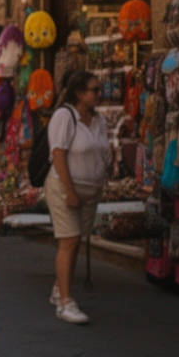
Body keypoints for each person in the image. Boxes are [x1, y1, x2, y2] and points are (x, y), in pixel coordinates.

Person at [45, 70, 111, 325]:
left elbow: (102, 151)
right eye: (94, 90)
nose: (99, 93)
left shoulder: (98, 120)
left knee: (76, 241)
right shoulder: (64, 116)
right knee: (69, 241)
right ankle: (65, 303)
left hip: (90, 189)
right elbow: (58, 154)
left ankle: (59, 289)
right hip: (64, 188)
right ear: (79, 93)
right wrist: (70, 191)